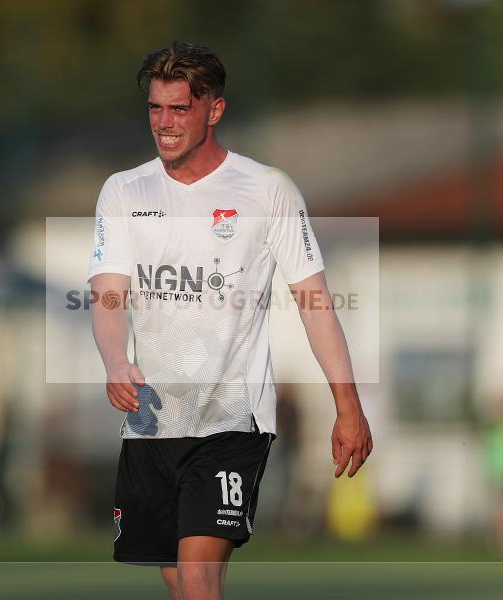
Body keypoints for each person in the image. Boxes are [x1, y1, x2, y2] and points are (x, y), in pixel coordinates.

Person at [88, 41, 373, 600]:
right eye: (155, 109)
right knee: (186, 585)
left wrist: (348, 405)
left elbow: (315, 303)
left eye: (179, 109)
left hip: (232, 421)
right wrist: (116, 360)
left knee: (196, 581)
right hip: (152, 423)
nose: (164, 124)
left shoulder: (266, 190)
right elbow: (108, 296)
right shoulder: (123, 191)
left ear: (214, 109)